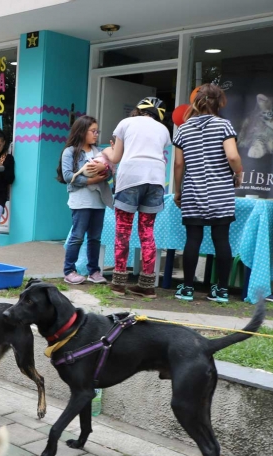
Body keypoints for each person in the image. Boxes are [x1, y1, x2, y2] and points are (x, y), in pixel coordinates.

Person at [173, 84, 243, 303]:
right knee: (221, 239)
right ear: (220, 102)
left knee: (193, 239)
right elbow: (232, 156)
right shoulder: (224, 125)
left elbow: (178, 164)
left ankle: (187, 289)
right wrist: (239, 173)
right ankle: (222, 290)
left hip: (193, 191)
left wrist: (178, 191)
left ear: (196, 102)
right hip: (220, 191)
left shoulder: (183, 129)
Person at [106, 97, 171, 298]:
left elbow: (116, 158)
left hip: (131, 178)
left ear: (139, 109)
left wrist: (107, 151)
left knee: (123, 231)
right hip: (156, 179)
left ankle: (118, 284)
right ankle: (147, 286)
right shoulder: (164, 130)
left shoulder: (126, 123)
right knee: (147, 232)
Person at [59, 116, 113, 285]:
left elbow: (110, 173)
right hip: (80, 199)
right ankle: (69, 271)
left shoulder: (100, 152)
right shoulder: (70, 151)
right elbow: (68, 176)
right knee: (77, 236)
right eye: (93, 131)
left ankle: (94, 271)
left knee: (95, 237)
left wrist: (104, 170)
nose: (96, 134)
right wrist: (90, 180)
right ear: (82, 131)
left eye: (98, 131)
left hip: (98, 199)